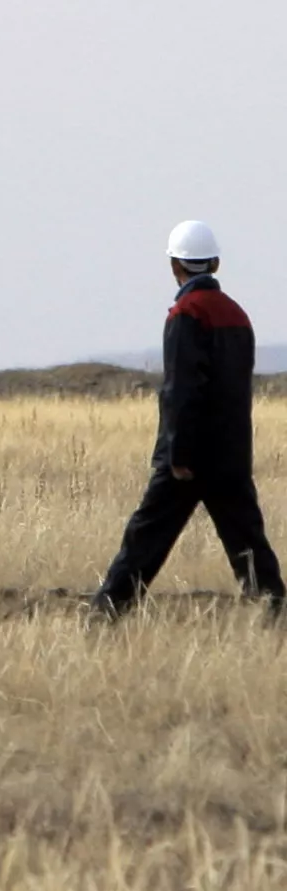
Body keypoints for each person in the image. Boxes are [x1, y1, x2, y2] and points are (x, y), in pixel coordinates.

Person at [93, 220, 285, 615]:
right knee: (248, 545)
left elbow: (181, 389)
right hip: (231, 455)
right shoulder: (237, 314)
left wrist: (178, 454)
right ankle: (275, 617)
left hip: (190, 457)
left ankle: (105, 615)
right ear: (215, 263)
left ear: (174, 266)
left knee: (145, 540)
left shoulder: (186, 313)